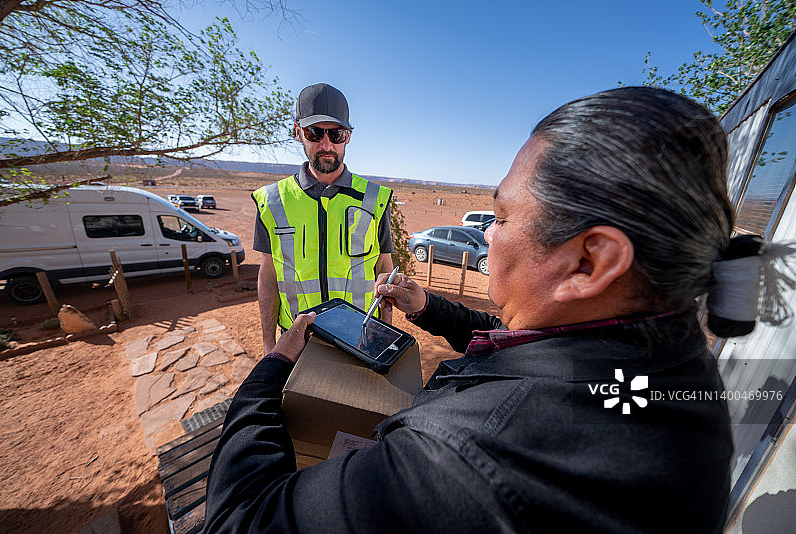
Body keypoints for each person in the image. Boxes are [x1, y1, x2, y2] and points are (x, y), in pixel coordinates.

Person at [204, 87, 794, 533]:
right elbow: (542, 352)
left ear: (591, 261)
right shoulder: (664, 360)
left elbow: (239, 517)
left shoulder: (464, 457)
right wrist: (431, 307)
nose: (487, 237)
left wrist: (268, 374)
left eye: (504, 217)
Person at [252, 83, 394, 354]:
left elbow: (383, 270)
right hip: (296, 341)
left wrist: (385, 335)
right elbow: (268, 275)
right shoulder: (271, 201)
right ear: (298, 133)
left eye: (337, 134)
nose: (326, 145)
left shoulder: (376, 199)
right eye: (314, 133)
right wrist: (269, 344)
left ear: (348, 136)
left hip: (361, 337)